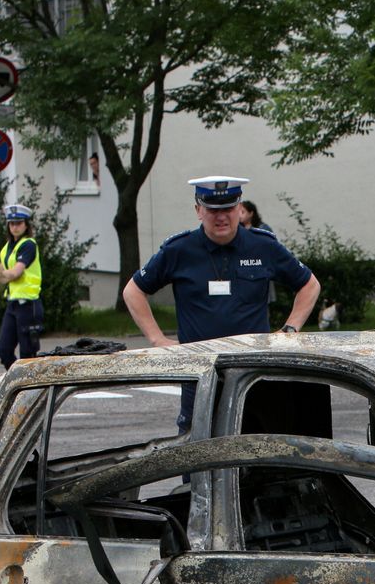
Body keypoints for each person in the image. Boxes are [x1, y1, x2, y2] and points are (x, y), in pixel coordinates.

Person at [123, 176, 321, 431]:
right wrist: (157, 340)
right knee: (198, 455)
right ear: (198, 211)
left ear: (239, 209)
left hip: (254, 377)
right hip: (202, 377)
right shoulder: (179, 251)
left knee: (259, 452)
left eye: (228, 208)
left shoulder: (263, 246)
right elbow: (133, 291)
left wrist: (290, 330)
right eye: (212, 210)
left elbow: (309, 284)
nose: (221, 217)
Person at [0, 204, 44, 368]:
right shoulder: (7, 248)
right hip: (13, 304)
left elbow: (15, 273)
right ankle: (18, 382)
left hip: (28, 305)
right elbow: (1, 274)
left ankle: (30, 389)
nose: (15, 227)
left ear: (26, 225)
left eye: (18, 223)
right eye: (11, 224)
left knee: (27, 355)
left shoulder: (28, 245)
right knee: (4, 350)